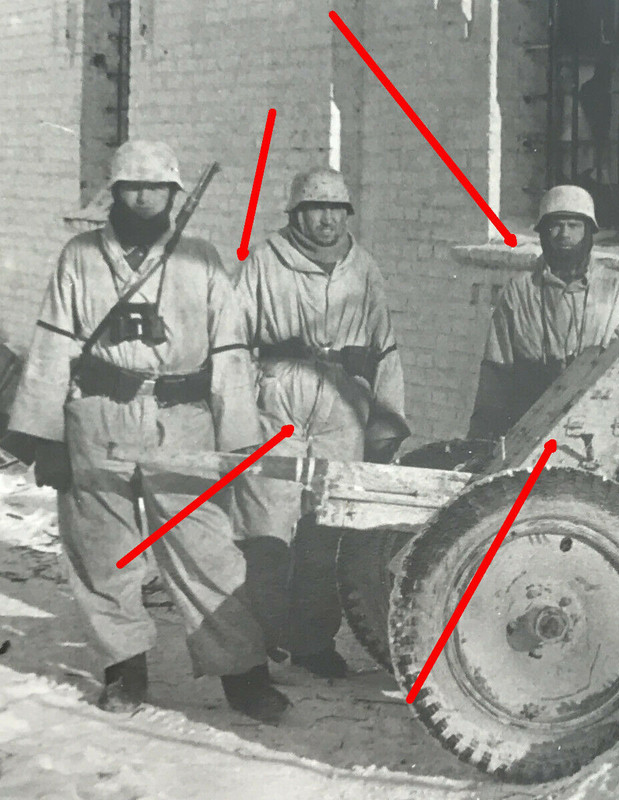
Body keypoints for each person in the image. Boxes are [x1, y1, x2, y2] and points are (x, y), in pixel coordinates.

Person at [4, 140, 289, 722]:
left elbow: (231, 353)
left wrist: (236, 442)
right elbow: (53, 348)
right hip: (98, 414)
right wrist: (45, 438)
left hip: (181, 419)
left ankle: (243, 672)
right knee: (101, 549)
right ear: (113, 192)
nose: (144, 198)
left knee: (205, 546)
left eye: (156, 188)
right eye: (132, 187)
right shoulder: (80, 257)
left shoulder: (203, 260)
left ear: (173, 195)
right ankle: (124, 667)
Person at [231, 166, 408, 679]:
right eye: (315, 209)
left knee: (327, 529)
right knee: (265, 523)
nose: (327, 219)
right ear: (297, 214)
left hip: (341, 403)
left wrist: (388, 420)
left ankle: (312, 640)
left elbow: (385, 347)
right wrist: (238, 414)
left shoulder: (363, 268)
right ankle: (259, 636)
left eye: (336, 209)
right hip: (278, 397)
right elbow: (234, 340)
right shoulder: (264, 262)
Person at [468, 185, 619, 440]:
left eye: (574, 226)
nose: (564, 234)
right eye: (556, 226)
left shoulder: (614, 289)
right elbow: (496, 372)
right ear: (543, 233)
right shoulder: (520, 291)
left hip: (595, 430)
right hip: (530, 428)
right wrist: (481, 439)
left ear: (588, 232)